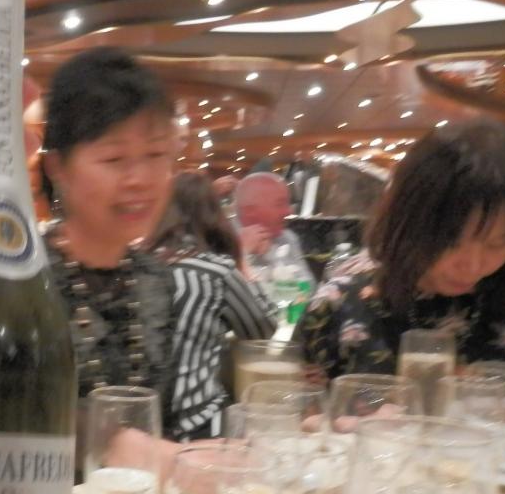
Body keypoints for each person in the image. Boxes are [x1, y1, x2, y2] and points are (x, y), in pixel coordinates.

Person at [295, 117, 505, 382]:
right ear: (406, 221)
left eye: (497, 243)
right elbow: (300, 401)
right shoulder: (341, 305)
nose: (473, 265)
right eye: (450, 241)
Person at [39, 47, 176, 410]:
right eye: (114, 159)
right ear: (57, 167)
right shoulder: (23, 282)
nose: (140, 179)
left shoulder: (157, 281)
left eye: (156, 154)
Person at [148, 172, 277, 440]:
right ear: (214, 215)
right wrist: (243, 262)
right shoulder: (215, 271)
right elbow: (263, 331)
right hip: (197, 424)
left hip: (138, 422)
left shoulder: (140, 264)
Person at [233, 170, 313, 281]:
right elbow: (229, 289)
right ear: (249, 211)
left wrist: (272, 256)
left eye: (288, 203)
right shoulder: (220, 242)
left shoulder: (287, 238)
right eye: (279, 204)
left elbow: (308, 286)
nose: (288, 212)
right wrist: (243, 253)